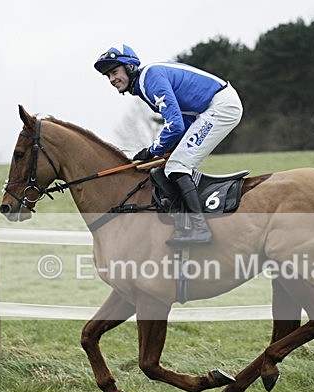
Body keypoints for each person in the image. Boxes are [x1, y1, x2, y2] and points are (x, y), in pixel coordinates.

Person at [94, 44, 243, 245]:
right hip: (210, 109)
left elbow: (175, 125)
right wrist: (166, 150)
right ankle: (183, 222)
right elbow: (184, 117)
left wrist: (152, 150)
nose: (112, 79)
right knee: (164, 167)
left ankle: (200, 229)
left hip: (221, 107)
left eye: (114, 72)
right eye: (108, 76)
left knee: (177, 166)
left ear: (130, 67)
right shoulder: (144, 85)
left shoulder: (150, 79)